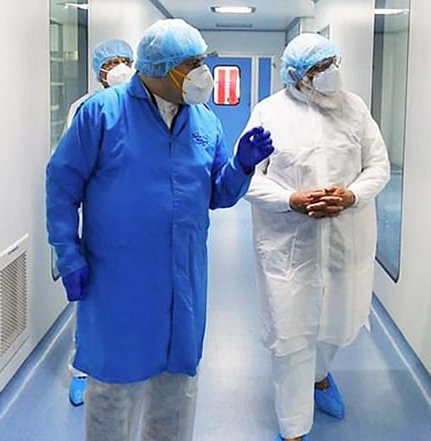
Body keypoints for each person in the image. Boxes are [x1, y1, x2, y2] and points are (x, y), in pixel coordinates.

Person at [46, 18, 273, 441]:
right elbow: (61, 185)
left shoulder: (204, 120)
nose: (202, 74)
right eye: (193, 64)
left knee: (177, 388)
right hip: (117, 280)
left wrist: (241, 166)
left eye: (203, 62)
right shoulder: (103, 114)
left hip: (183, 278)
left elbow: (217, 194)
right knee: (115, 390)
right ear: (159, 68)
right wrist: (68, 252)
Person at [242, 33, 390, 441]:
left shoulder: (355, 109)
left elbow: (379, 166)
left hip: (347, 240)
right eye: (318, 68)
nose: (330, 74)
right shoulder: (269, 112)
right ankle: (293, 430)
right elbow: (248, 180)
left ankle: (321, 376)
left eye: (332, 62)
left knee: (338, 323)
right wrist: (290, 199)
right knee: (291, 336)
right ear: (297, 77)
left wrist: (352, 195)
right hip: (290, 245)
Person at [61, 38, 135, 408]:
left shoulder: (148, 106)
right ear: (99, 71)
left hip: (141, 221)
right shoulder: (85, 108)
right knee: (93, 300)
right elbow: (68, 167)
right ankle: (81, 370)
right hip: (101, 221)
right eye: (112, 62)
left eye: (125, 60)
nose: (119, 67)